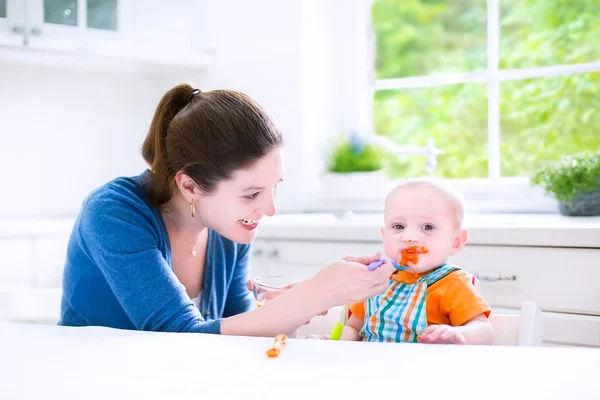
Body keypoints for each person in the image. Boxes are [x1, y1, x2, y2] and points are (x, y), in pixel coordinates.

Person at [59, 84, 395, 337]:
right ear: (190, 186)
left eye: (275, 185)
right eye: (251, 194)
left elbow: (232, 332)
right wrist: (315, 294)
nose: (269, 208)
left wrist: (305, 300)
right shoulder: (113, 214)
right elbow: (179, 337)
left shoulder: (228, 228)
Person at [340, 179, 493, 344]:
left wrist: (457, 333)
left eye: (428, 227)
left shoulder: (454, 284)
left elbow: (485, 331)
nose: (409, 237)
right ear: (384, 235)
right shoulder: (376, 279)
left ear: (455, 242)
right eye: (398, 226)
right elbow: (354, 328)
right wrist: (337, 345)